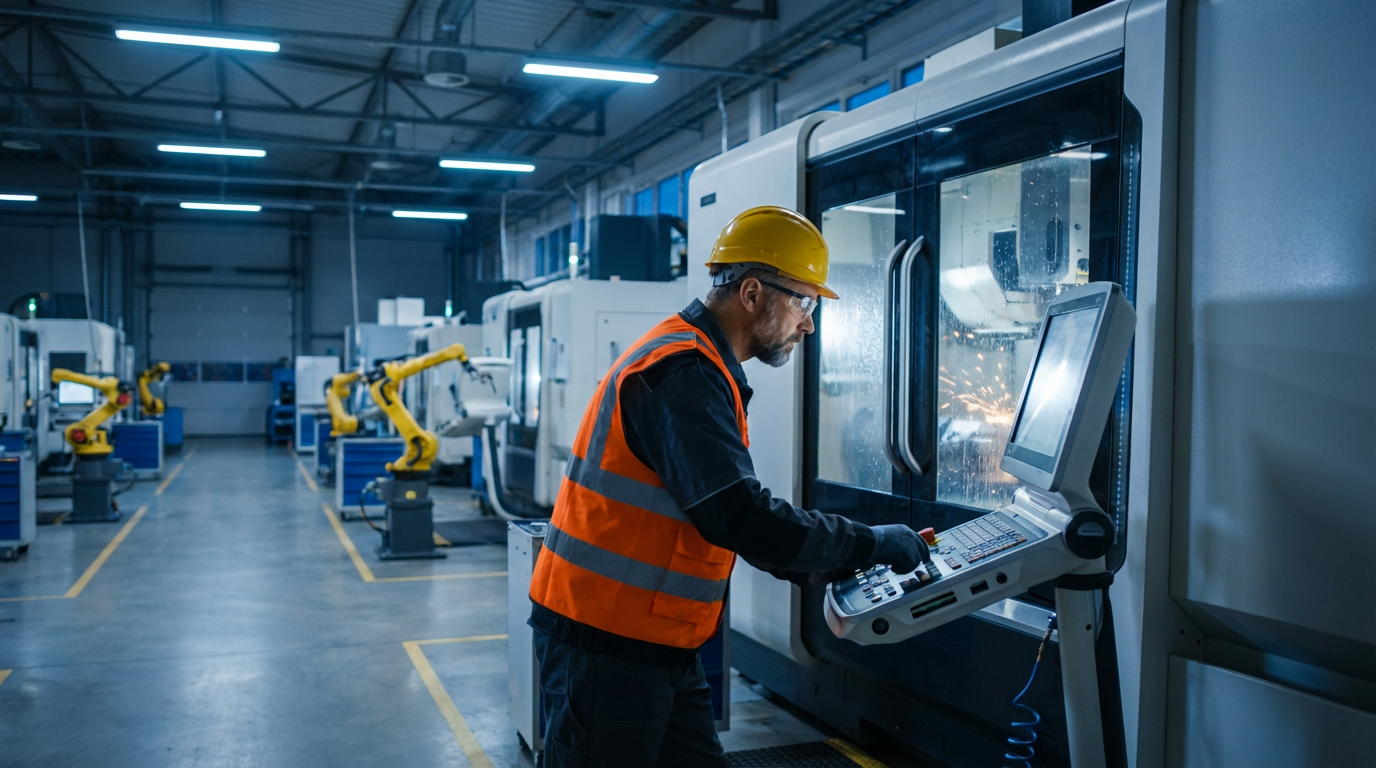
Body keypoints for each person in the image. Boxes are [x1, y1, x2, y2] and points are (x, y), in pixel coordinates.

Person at [528, 206, 931, 767]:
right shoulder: (683, 372)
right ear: (750, 294)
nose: (809, 323)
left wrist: (840, 559)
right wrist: (870, 543)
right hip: (606, 642)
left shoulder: (701, 363)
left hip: (656, 640)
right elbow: (741, 517)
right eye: (804, 301)